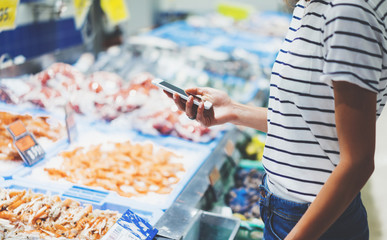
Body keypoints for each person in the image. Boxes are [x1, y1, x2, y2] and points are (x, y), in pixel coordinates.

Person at [165, 0, 387, 239]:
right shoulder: (311, 5)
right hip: (285, 212)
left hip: (316, 223)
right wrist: (234, 110)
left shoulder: (348, 11)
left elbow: (358, 163)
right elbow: (312, 125)